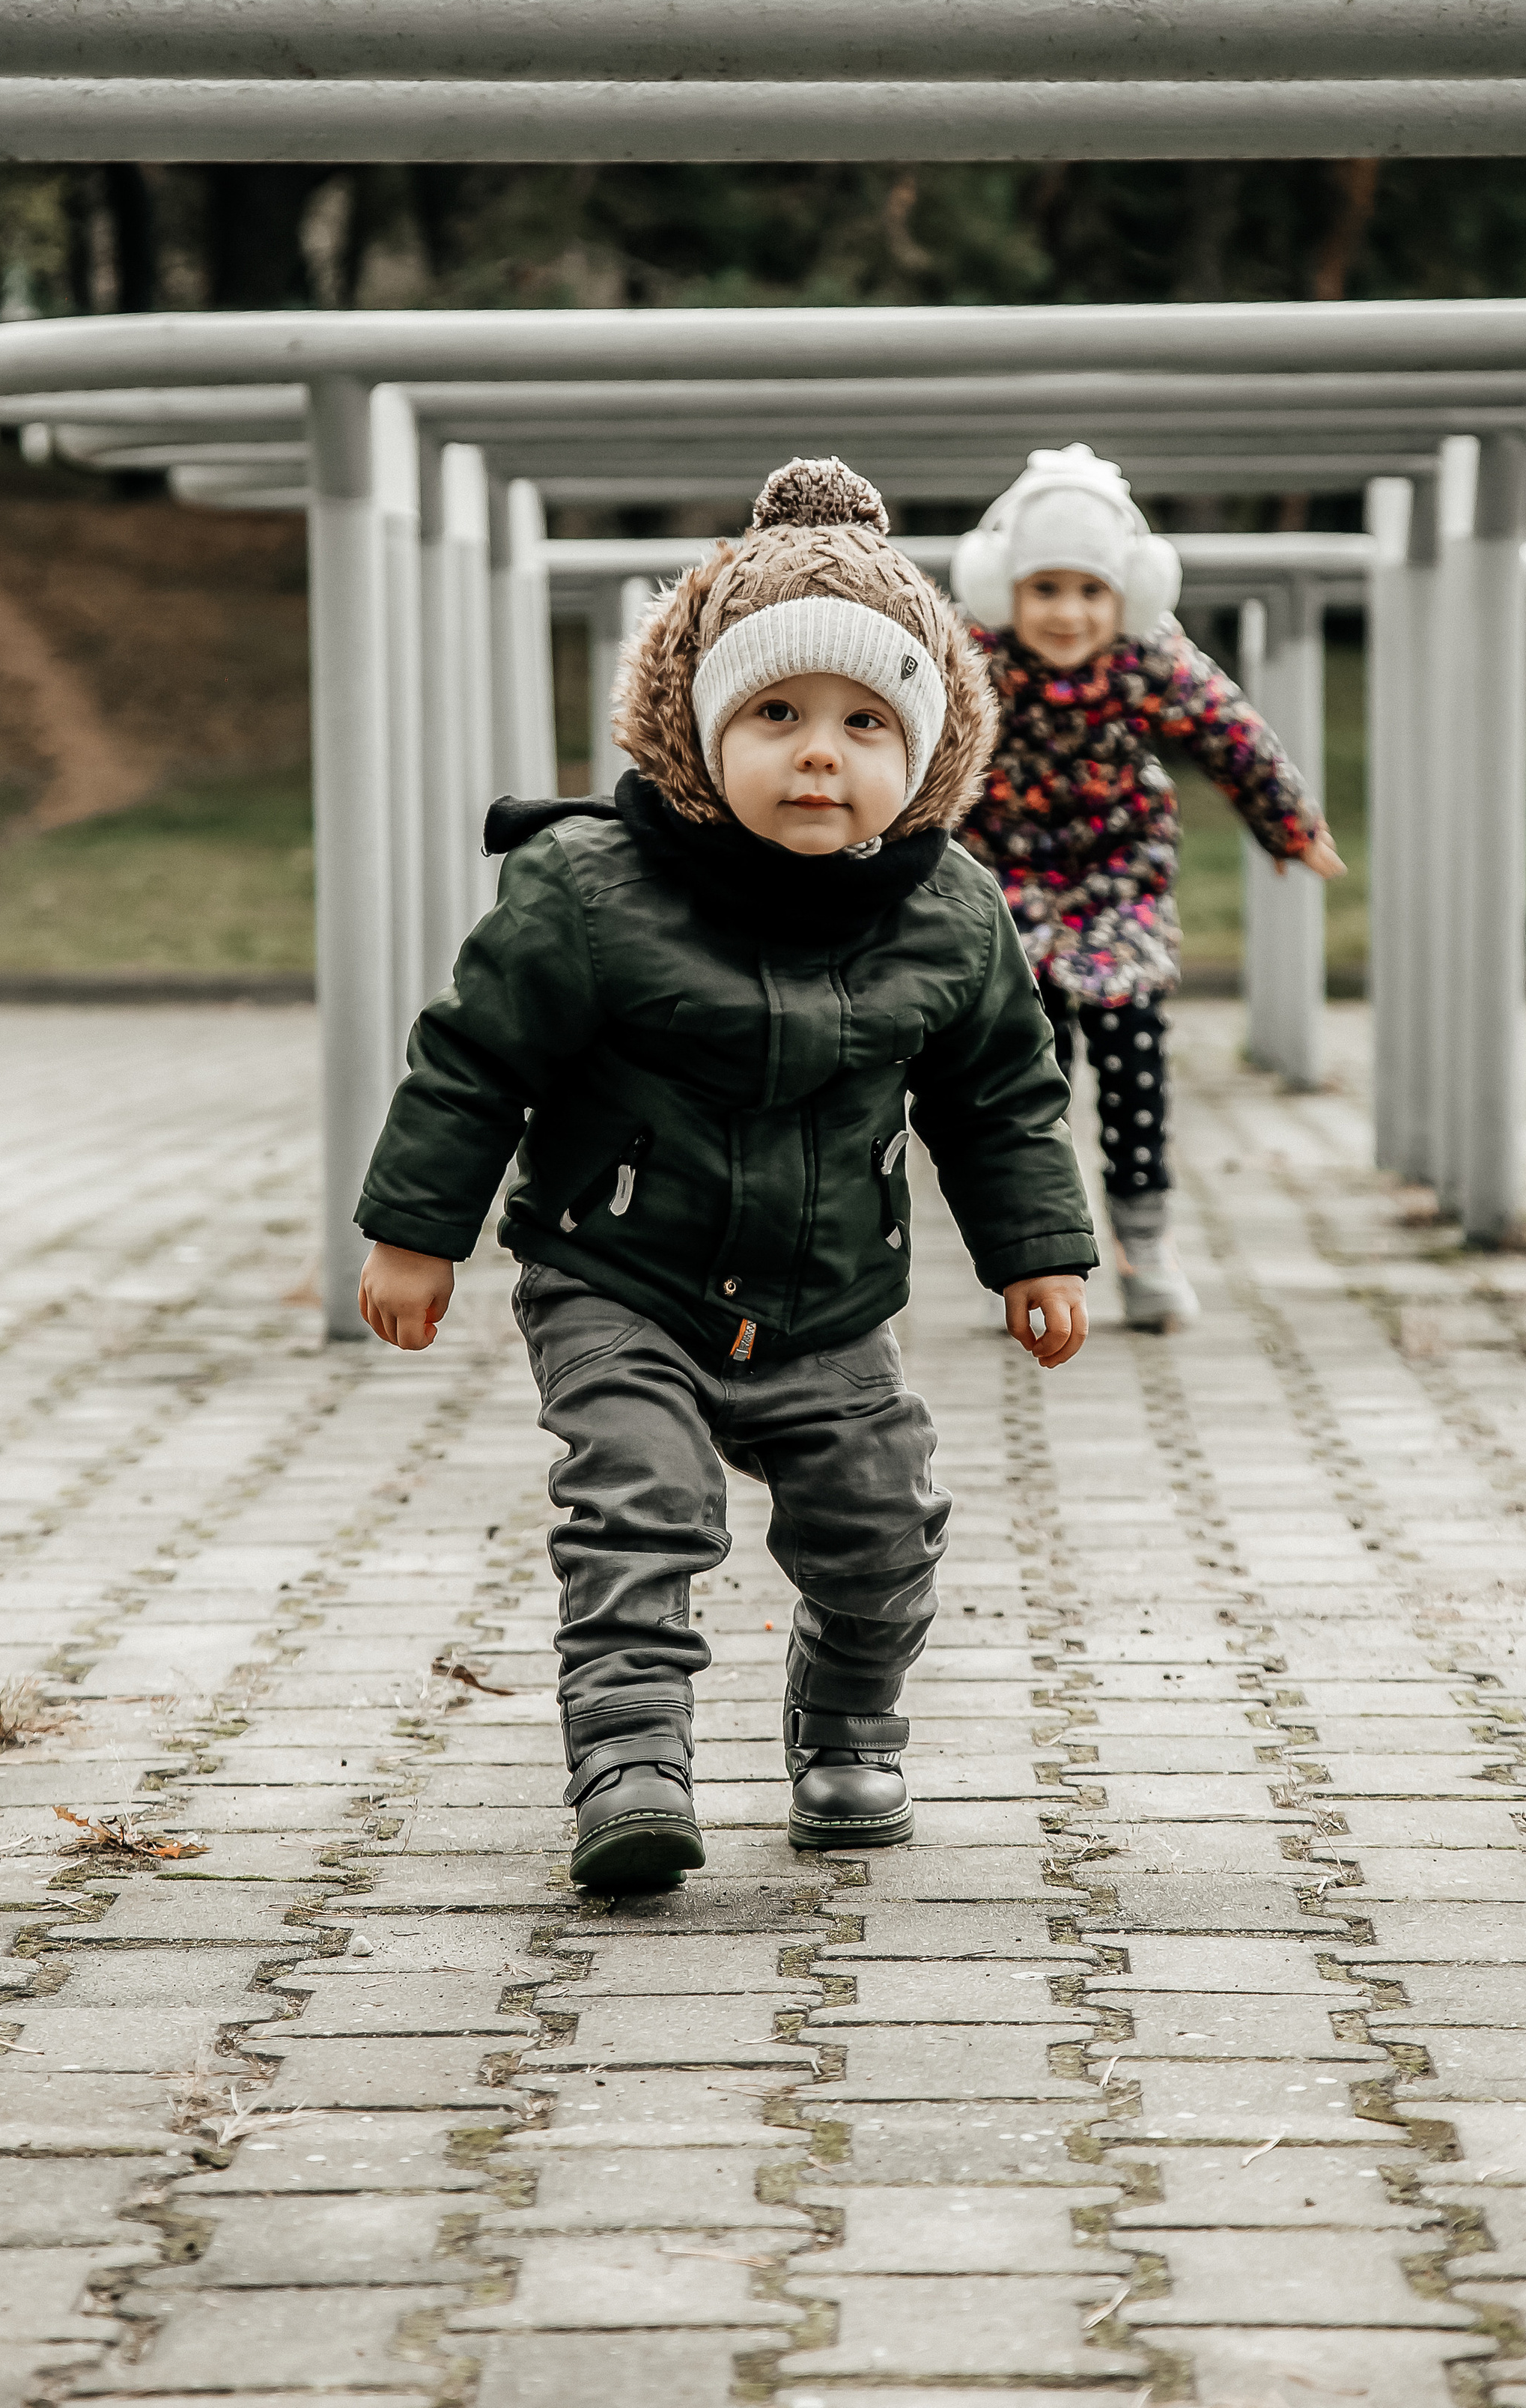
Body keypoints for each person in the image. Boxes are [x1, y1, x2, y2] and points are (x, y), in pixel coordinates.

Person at [353, 458, 1098, 1894]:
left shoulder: (949, 912)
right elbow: (471, 1061)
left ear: (925, 751)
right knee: (642, 1499)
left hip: (829, 1302)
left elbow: (1000, 1094)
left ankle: (846, 1724)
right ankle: (631, 1764)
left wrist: (1037, 1252)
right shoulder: (588, 885)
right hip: (622, 1277)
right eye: (776, 715)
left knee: (883, 1527)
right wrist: (415, 1233)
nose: (819, 755)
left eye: (865, 724)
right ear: (699, 730)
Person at [953, 444, 1345, 1332]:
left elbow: (1229, 731)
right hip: (1001, 881)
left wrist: (1287, 823)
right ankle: (1028, 1245)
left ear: (1125, 593)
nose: (1066, 613)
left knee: (1131, 1041)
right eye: (1044, 589)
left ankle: (1143, 1235)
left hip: (1115, 879)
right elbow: (905, 735)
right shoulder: (971, 657)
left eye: (1089, 591)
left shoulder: (1148, 657)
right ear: (1000, 587)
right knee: (1026, 1064)